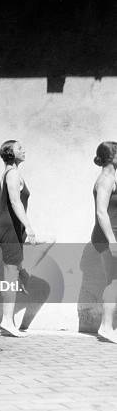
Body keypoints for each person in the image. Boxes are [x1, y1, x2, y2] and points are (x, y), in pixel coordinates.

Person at [0, 140, 36, 338]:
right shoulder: (12, 174)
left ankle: (22, 273)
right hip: (10, 229)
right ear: (10, 153)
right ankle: (7, 321)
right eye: (20, 148)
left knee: (49, 238)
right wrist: (28, 226)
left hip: (10, 228)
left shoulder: (9, 173)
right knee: (9, 277)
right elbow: (14, 201)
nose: (24, 149)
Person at [91, 141, 117, 343]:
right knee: (113, 282)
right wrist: (112, 241)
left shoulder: (111, 178)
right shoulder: (106, 179)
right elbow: (101, 212)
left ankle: (107, 326)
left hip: (111, 235)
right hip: (108, 237)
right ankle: (107, 327)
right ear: (113, 157)